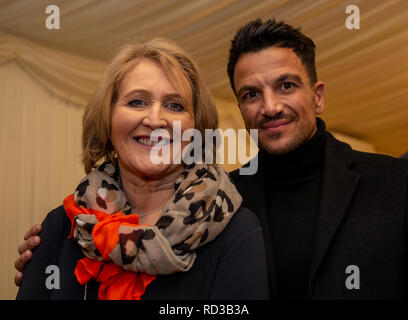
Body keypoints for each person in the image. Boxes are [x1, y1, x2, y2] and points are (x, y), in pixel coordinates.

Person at [15, 38, 268, 300]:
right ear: (108, 118)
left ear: (196, 131)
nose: (155, 120)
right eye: (137, 102)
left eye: (175, 105)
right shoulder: (62, 226)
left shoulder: (235, 232)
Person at [226, 19, 408, 299]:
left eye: (286, 86)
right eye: (251, 94)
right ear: (241, 109)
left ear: (317, 97)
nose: (270, 107)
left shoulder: (394, 181)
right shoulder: (224, 199)